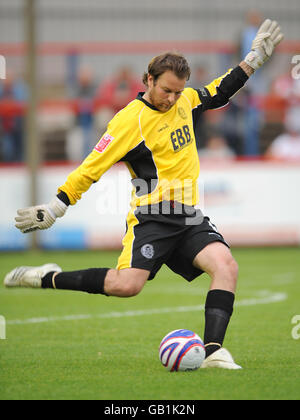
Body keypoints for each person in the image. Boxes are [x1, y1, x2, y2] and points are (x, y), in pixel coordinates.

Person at [4, 20, 283, 370]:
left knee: (226, 266)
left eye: (179, 92)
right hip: (152, 217)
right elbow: (92, 165)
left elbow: (218, 92)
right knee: (127, 286)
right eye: (167, 90)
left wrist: (253, 60)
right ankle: (47, 277)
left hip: (189, 215)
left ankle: (213, 351)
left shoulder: (185, 100)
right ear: (148, 80)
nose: (173, 99)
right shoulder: (127, 122)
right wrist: (56, 207)